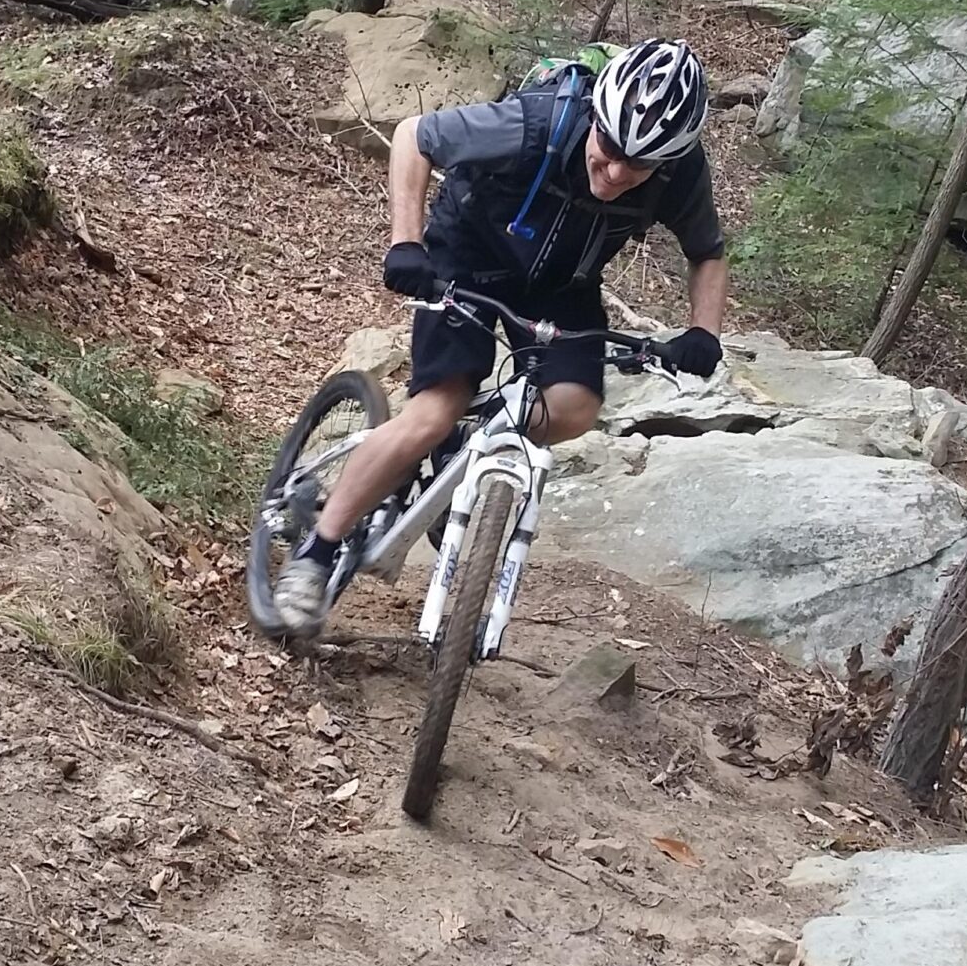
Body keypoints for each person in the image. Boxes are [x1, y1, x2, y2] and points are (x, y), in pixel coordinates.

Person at [271, 37, 730, 638]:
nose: (616, 173)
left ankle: (460, 454)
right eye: (610, 149)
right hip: (466, 256)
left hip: (564, 283)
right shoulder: (536, 123)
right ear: (595, 117)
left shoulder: (678, 173)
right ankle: (318, 553)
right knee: (434, 412)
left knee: (575, 408)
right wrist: (406, 243)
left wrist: (704, 332)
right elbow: (415, 136)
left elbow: (708, 253)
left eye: (637, 166)